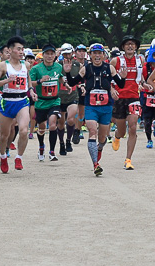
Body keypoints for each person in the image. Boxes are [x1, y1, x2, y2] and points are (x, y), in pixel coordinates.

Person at [63, 43, 128, 175]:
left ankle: (99, 151)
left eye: (100, 53)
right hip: (91, 106)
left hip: (106, 107)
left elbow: (120, 84)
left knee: (102, 138)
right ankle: (95, 164)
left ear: (104, 55)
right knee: (92, 131)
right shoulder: (86, 69)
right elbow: (72, 83)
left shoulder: (109, 68)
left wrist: (124, 76)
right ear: (90, 55)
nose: (97, 56)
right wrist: (68, 72)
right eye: (94, 53)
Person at [0, 36, 32, 173]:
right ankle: (3, 157)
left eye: (22, 49)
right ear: (10, 50)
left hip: (22, 101)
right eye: (18, 49)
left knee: (24, 130)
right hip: (7, 101)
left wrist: (30, 90)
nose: (21, 52)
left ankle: (19, 157)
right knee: (4, 135)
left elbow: (28, 79)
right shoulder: (3, 66)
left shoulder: (26, 65)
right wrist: (6, 81)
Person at [110, 36, 143, 170]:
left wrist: (145, 85)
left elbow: (142, 78)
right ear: (123, 47)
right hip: (119, 98)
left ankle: (128, 159)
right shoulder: (115, 60)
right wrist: (111, 89)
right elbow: (106, 77)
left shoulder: (140, 60)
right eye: (128, 44)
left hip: (134, 97)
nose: (130, 46)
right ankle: (117, 136)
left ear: (136, 47)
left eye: (133, 44)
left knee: (133, 126)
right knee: (122, 130)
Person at [29, 44, 64, 162]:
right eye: (47, 54)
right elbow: (30, 83)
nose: (49, 56)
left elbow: (60, 77)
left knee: (53, 124)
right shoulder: (36, 69)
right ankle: (41, 147)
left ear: (55, 55)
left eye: (51, 54)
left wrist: (66, 83)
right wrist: (40, 81)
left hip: (54, 100)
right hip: (41, 102)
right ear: (42, 55)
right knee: (42, 128)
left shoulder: (58, 67)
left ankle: (52, 152)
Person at [56, 44, 79, 155]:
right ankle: (61, 143)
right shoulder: (58, 65)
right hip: (60, 97)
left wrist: (83, 86)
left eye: (68, 53)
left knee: (70, 120)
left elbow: (81, 78)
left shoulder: (77, 64)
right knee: (60, 124)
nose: (67, 56)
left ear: (72, 53)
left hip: (73, 96)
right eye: (64, 54)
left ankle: (68, 140)